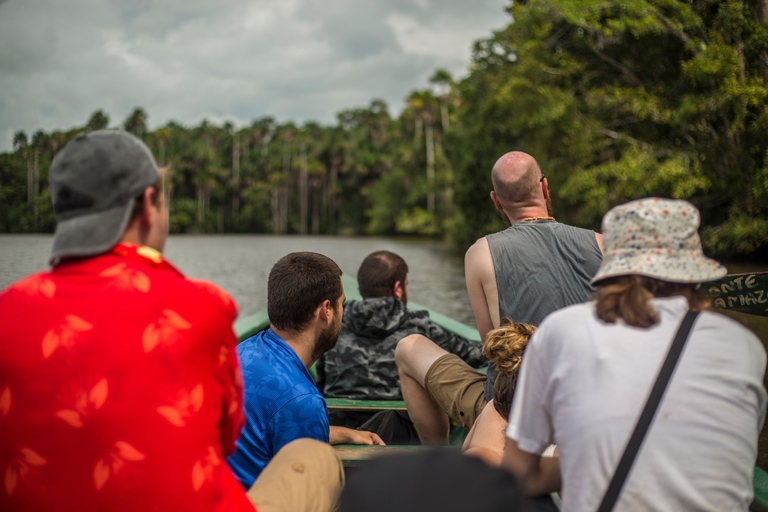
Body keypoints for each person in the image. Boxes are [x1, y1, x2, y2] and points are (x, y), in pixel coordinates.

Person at [0, 131, 342, 512]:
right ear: (149, 204)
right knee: (316, 459)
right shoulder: (199, 308)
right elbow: (225, 437)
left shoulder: (7, 310)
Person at [503, 198, 767, 511]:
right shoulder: (744, 344)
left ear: (611, 269)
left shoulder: (562, 329)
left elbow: (520, 475)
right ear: (694, 273)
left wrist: (585, 462)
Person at [396, 151, 603, 444]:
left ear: (496, 201)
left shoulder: (480, 253)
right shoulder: (601, 243)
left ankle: (439, 458)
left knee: (408, 347)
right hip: (590, 407)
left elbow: (492, 344)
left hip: (510, 411)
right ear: (545, 188)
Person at [227, 252, 384, 490]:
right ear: (326, 311)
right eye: (342, 304)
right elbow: (309, 496)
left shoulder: (242, 352)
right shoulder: (302, 400)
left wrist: (348, 434)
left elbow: (274, 431)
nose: (343, 314)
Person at [316, 250, 485, 432]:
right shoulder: (421, 328)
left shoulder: (335, 327)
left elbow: (321, 385)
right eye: (406, 285)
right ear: (398, 288)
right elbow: (474, 354)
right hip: (402, 435)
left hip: (343, 432)